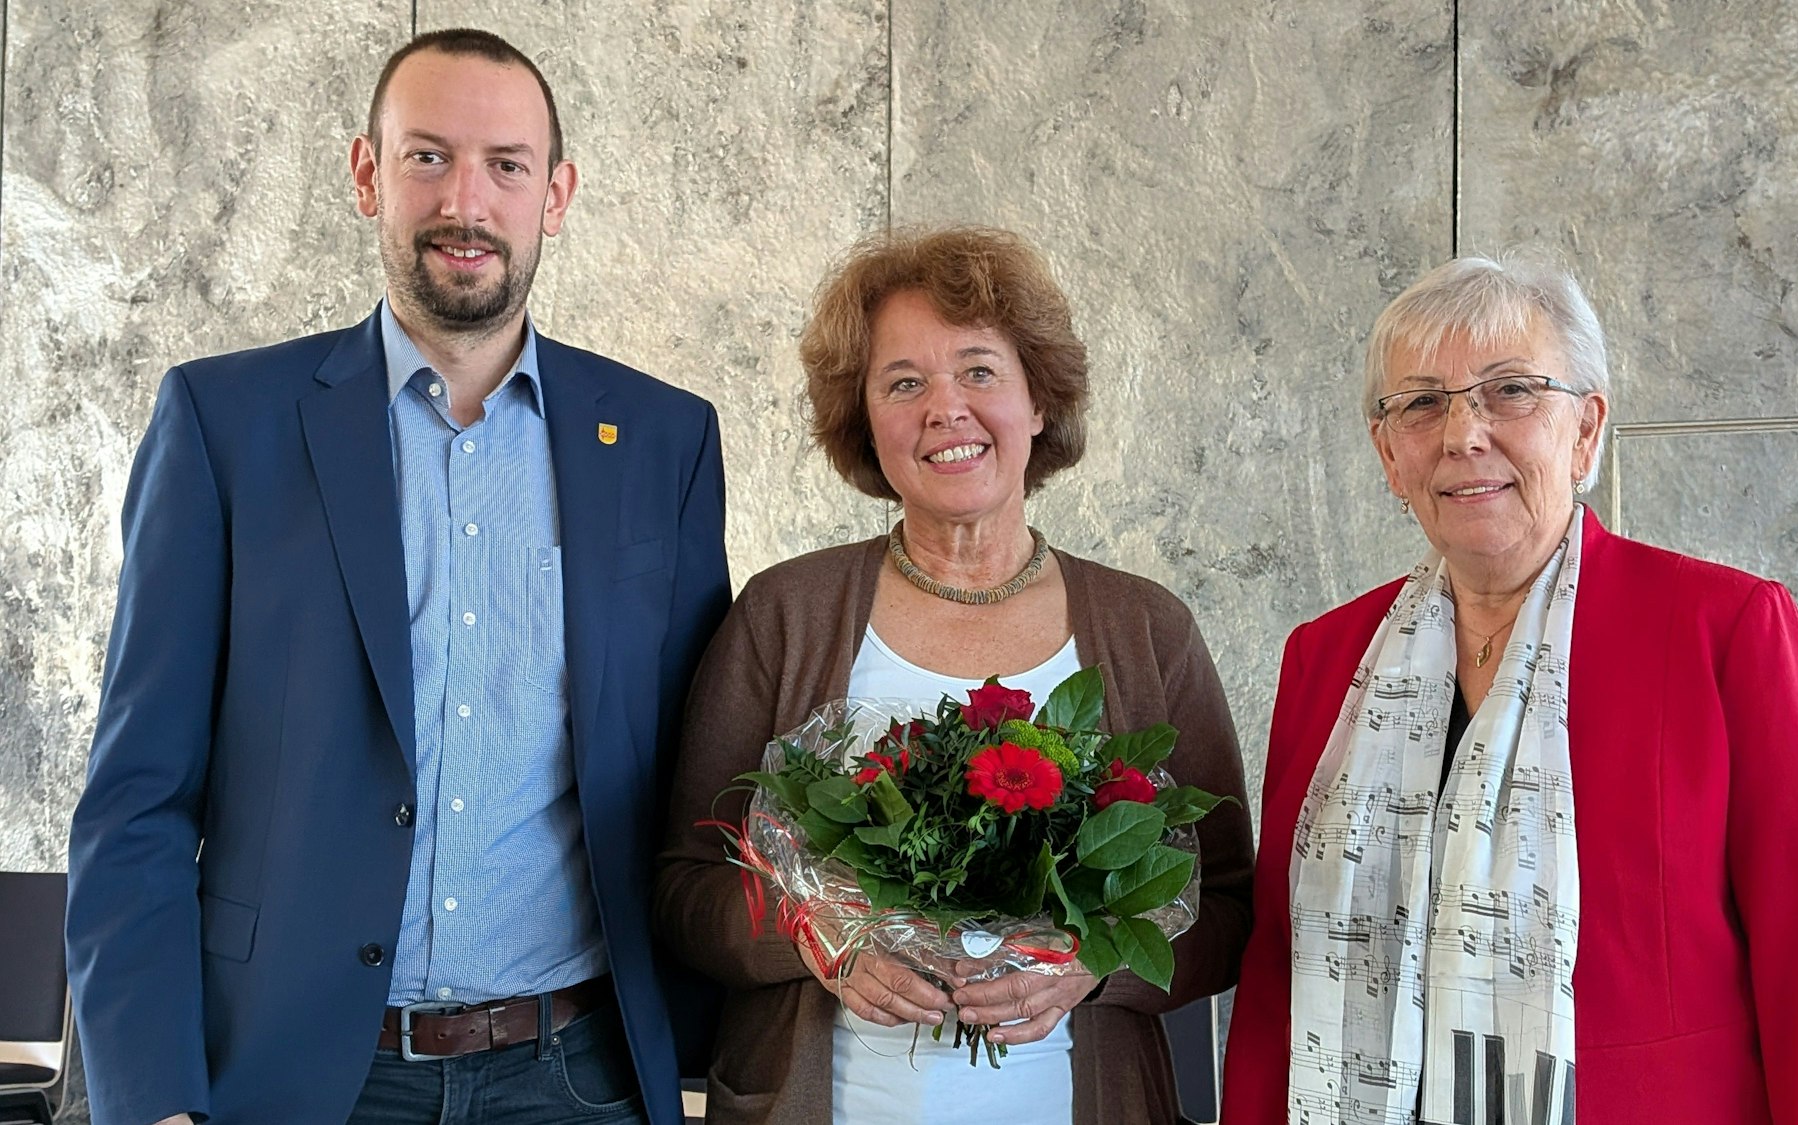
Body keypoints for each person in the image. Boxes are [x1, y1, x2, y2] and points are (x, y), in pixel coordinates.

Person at [65, 28, 729, 1125]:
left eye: (505, 166)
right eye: (428, 157)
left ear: (554, 194)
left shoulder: (662, 442)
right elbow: (136, 803)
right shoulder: (226, 426)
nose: (465, 201)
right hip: (292, 1077)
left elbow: (697, 784)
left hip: (575, 1078)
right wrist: (151, 1102)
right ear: (367, 173)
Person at [1220, 256, 1798, 1124]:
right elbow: (1282, 965)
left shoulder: (1724, 632)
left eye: (1510, 392)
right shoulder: (1324, 662)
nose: (1465, 434)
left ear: (1585, 431)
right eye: (1423, 402)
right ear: (1389, 454)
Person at [653, 226, 1254, 1124]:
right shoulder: (785, 614)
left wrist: (1095, 965)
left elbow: (1227, 905)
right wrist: (822, 939)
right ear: (865, 418)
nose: (946, 409)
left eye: (979, 370)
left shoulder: (1146, 627)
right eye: (904, 382)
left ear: (1039, 402)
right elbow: (684, 886)